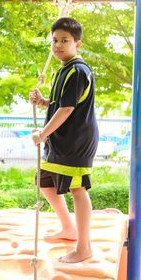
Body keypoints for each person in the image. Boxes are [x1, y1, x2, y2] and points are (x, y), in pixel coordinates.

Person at [29, 17, 99, 263]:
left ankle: (84, 247)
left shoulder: (78, 71)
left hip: (75, 140)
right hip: (61, 139)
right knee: (45, 182)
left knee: (77, 189)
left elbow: (67, 110)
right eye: (55, 40)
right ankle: (68, 228)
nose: (58, 45)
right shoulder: (64, 69)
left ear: (77, 43)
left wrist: (43, 133)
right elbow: (62, 104)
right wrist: (43, 103)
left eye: (65, 40)